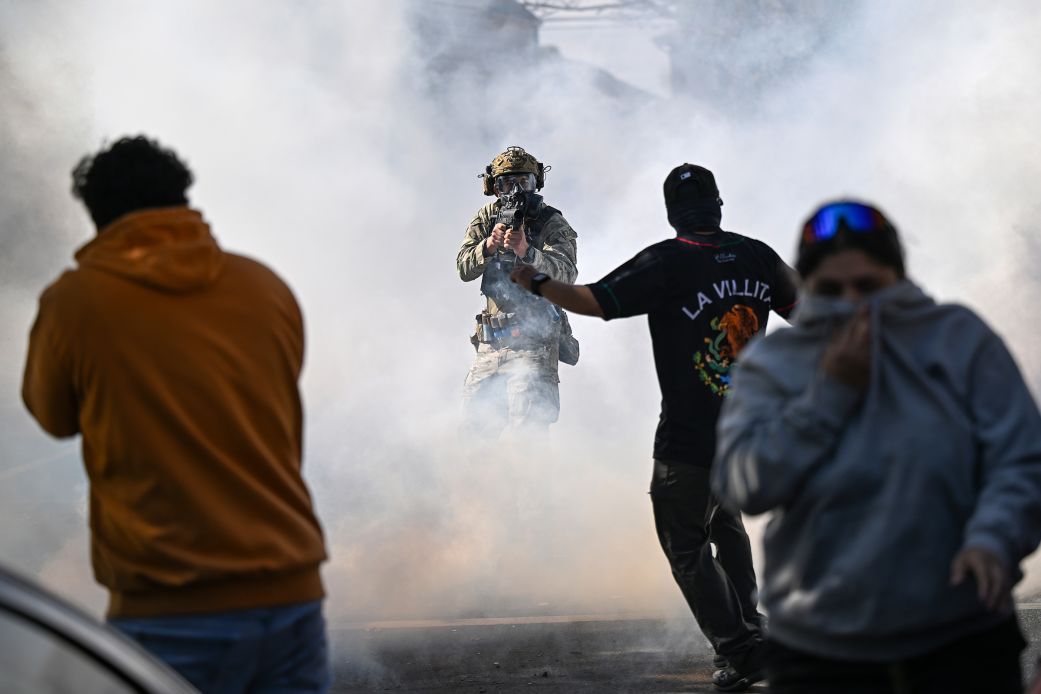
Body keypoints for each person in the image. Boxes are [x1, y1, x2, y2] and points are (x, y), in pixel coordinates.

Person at [21, 135, 330, 693]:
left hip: (167, 604)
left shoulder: (74, 303)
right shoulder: (264, 287)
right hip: (292, 594)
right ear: (183, 197)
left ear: (97, 216)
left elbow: (53, 416)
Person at [712, 200, 1041, 693]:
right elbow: (745, 482)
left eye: (868, 286)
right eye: (830, 289)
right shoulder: (775, 362)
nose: (852, 302)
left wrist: (995, 538)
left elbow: (1021, 461)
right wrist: (829, 394)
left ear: (897, 276)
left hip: (960, 634)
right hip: (823, 644)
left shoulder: (958, 340)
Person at [511, 163, 798, 691]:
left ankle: (741, 649)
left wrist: (536, 281)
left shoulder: (667, 262)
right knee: (724, 523)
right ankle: (749, 637)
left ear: (672, 215)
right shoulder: (757, 255)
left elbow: (595, 301)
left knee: (686, 544)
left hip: (689, 439)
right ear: (718, 205)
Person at [457, 146, 579, 439]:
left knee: (529, 436)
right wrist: (487, 247)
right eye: (506, 183)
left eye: (523, 182)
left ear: (536, 182)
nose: (516, 190)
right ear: (494, 187)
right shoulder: (487, 218)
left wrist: (527, 251)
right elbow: (463, 268)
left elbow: (566, 274)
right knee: (473, 433)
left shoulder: (550, 221)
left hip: (534, 343)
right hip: (491, 345)